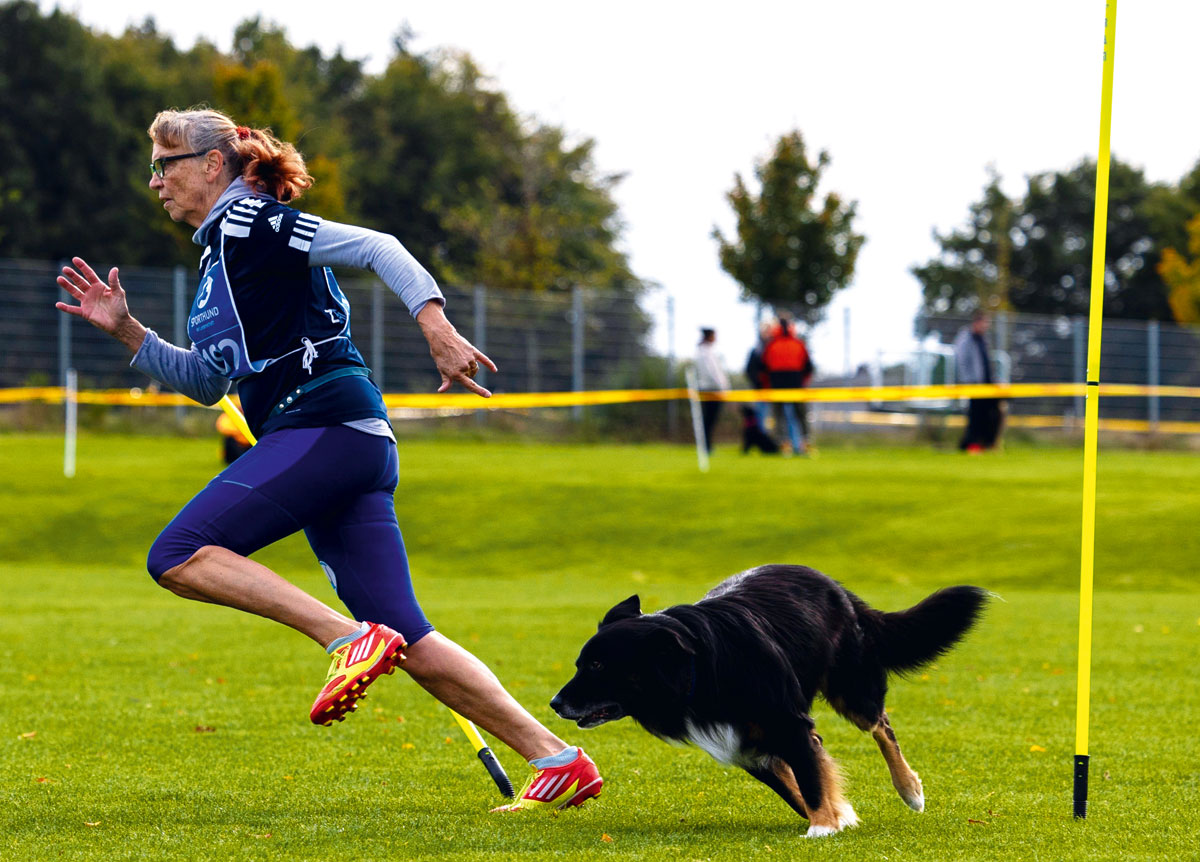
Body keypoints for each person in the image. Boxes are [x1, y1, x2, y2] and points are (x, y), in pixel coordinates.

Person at [53, 108, 600, 813]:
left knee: (177, 554)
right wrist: (129, 331)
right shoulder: (219, 255)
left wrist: (435, 324)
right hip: (343, 440)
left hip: (324, 426)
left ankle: (346, 639)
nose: (155, 180)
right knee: (407, 635)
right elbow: (209, 383)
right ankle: (557, 759)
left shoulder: (250, 221)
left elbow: (378, 247)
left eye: (165, 164)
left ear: (213, 164)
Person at [762, 314, 814, 455]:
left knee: (779, 417)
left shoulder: (771, 346)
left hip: (776, 386)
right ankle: (805, 443)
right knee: (801, 415)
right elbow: (808, 367)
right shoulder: (798, 344)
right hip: (796, 385)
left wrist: (767, 385)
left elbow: (764, 368)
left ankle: (784, 445)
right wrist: (803, 383)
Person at [953, 311, 1004, 452]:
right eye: (984, 323)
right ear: (977, 322)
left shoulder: (983, 339)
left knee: (992, 413)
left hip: (987, 385)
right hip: (974, 385)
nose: (986, 326)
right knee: (976, 415)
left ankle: (987, 443)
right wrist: (970, 381)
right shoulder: (966, 339)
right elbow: (962, 362)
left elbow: (987, 364)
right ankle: (972, 444)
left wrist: (994, 380)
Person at [694, 327, 730, 453]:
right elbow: (713, 372)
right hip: (711, 389)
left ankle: (707, 445)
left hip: (708, 388)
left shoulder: (703, 351)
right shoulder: (706, 352)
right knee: (709, 419)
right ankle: (706, 446)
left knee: (708, 419)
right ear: (709, 336)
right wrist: (723, 387)